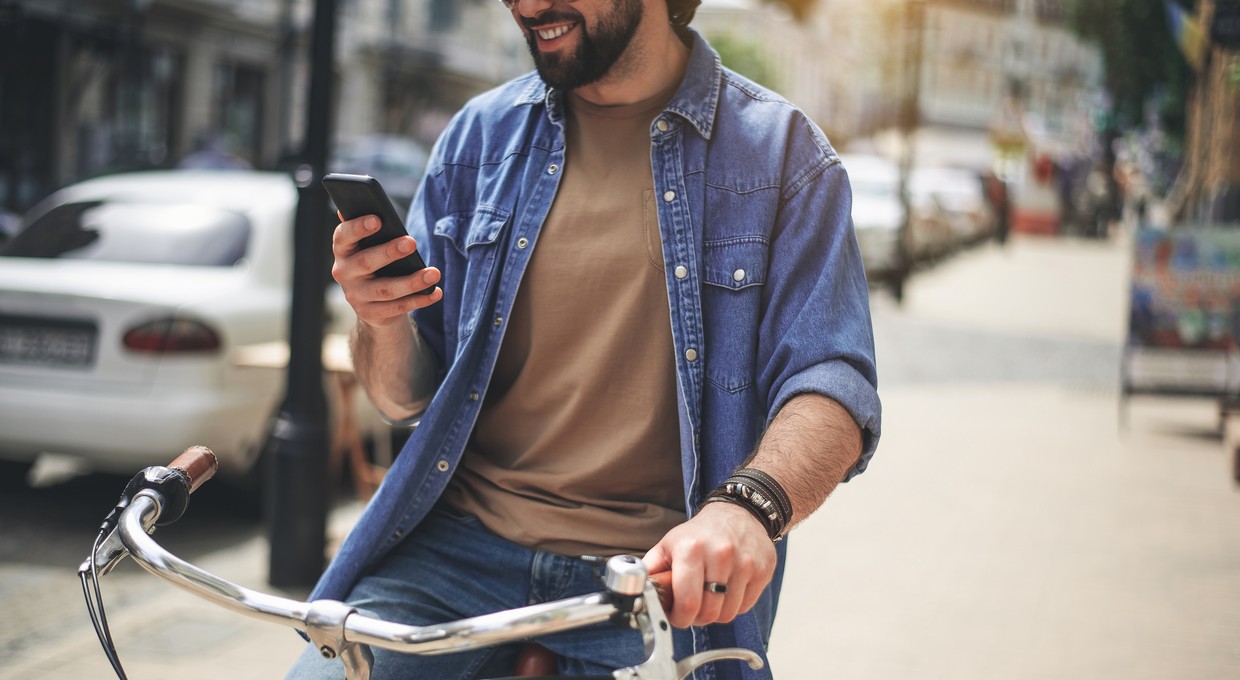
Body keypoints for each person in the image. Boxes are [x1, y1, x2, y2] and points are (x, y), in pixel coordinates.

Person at [290, 0, 881, 678]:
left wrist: (746, 509)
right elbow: (404, 399)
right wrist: (380, 318)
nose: (527, 5)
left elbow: (832, 382)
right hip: (454, 554)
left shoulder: (783, 156)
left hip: (653, 580)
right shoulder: (478, 138)